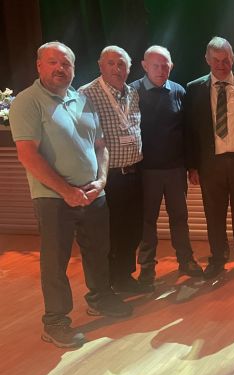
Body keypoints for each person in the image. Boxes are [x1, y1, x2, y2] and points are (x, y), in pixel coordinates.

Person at [10, 42, 132, 348]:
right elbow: (28, 155)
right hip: (54, 199)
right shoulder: (28, 102)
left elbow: (100, 146)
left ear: (74, 69)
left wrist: (101, 181)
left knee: (98, 252)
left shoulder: (82, 99)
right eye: (53, 62)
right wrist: (67, 191)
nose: (60, 69)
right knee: (55, 262)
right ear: (39, 65)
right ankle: (55, 322)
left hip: (92, 194)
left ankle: (100, 298)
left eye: (66, 64)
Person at [184, 36, 234, 278]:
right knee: (214, 215)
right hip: (210, 165)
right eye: (216, 60)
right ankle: (217, 259)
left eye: (226, 59)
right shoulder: (194, 89)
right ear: (207, 60)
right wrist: (192, 166)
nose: (221, 64)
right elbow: (189, 131)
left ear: (233, 58)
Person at [130, 45, 202, 287]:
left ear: (171, 66)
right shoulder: (133, 92)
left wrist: (191, 166)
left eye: (165, 65)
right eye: (156, 66)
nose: (161, 70)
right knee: (146, 221)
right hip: (146, 171)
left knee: (180, 218)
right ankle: (147, 269)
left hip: (174, 170)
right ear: (144, 66)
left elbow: (189, 132)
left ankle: (186, 260)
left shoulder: (179, 91)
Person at [79, 46, 148, 293]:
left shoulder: (132, 93)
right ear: (100, 65)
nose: (116, 69)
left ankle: (124, 277)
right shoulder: (87, 94)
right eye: (111, 63)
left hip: (134, 172)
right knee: (110, 232)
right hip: (108, 177)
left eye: (121, 65)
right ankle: (106, 284)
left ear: (129, 69)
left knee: (133, 229)